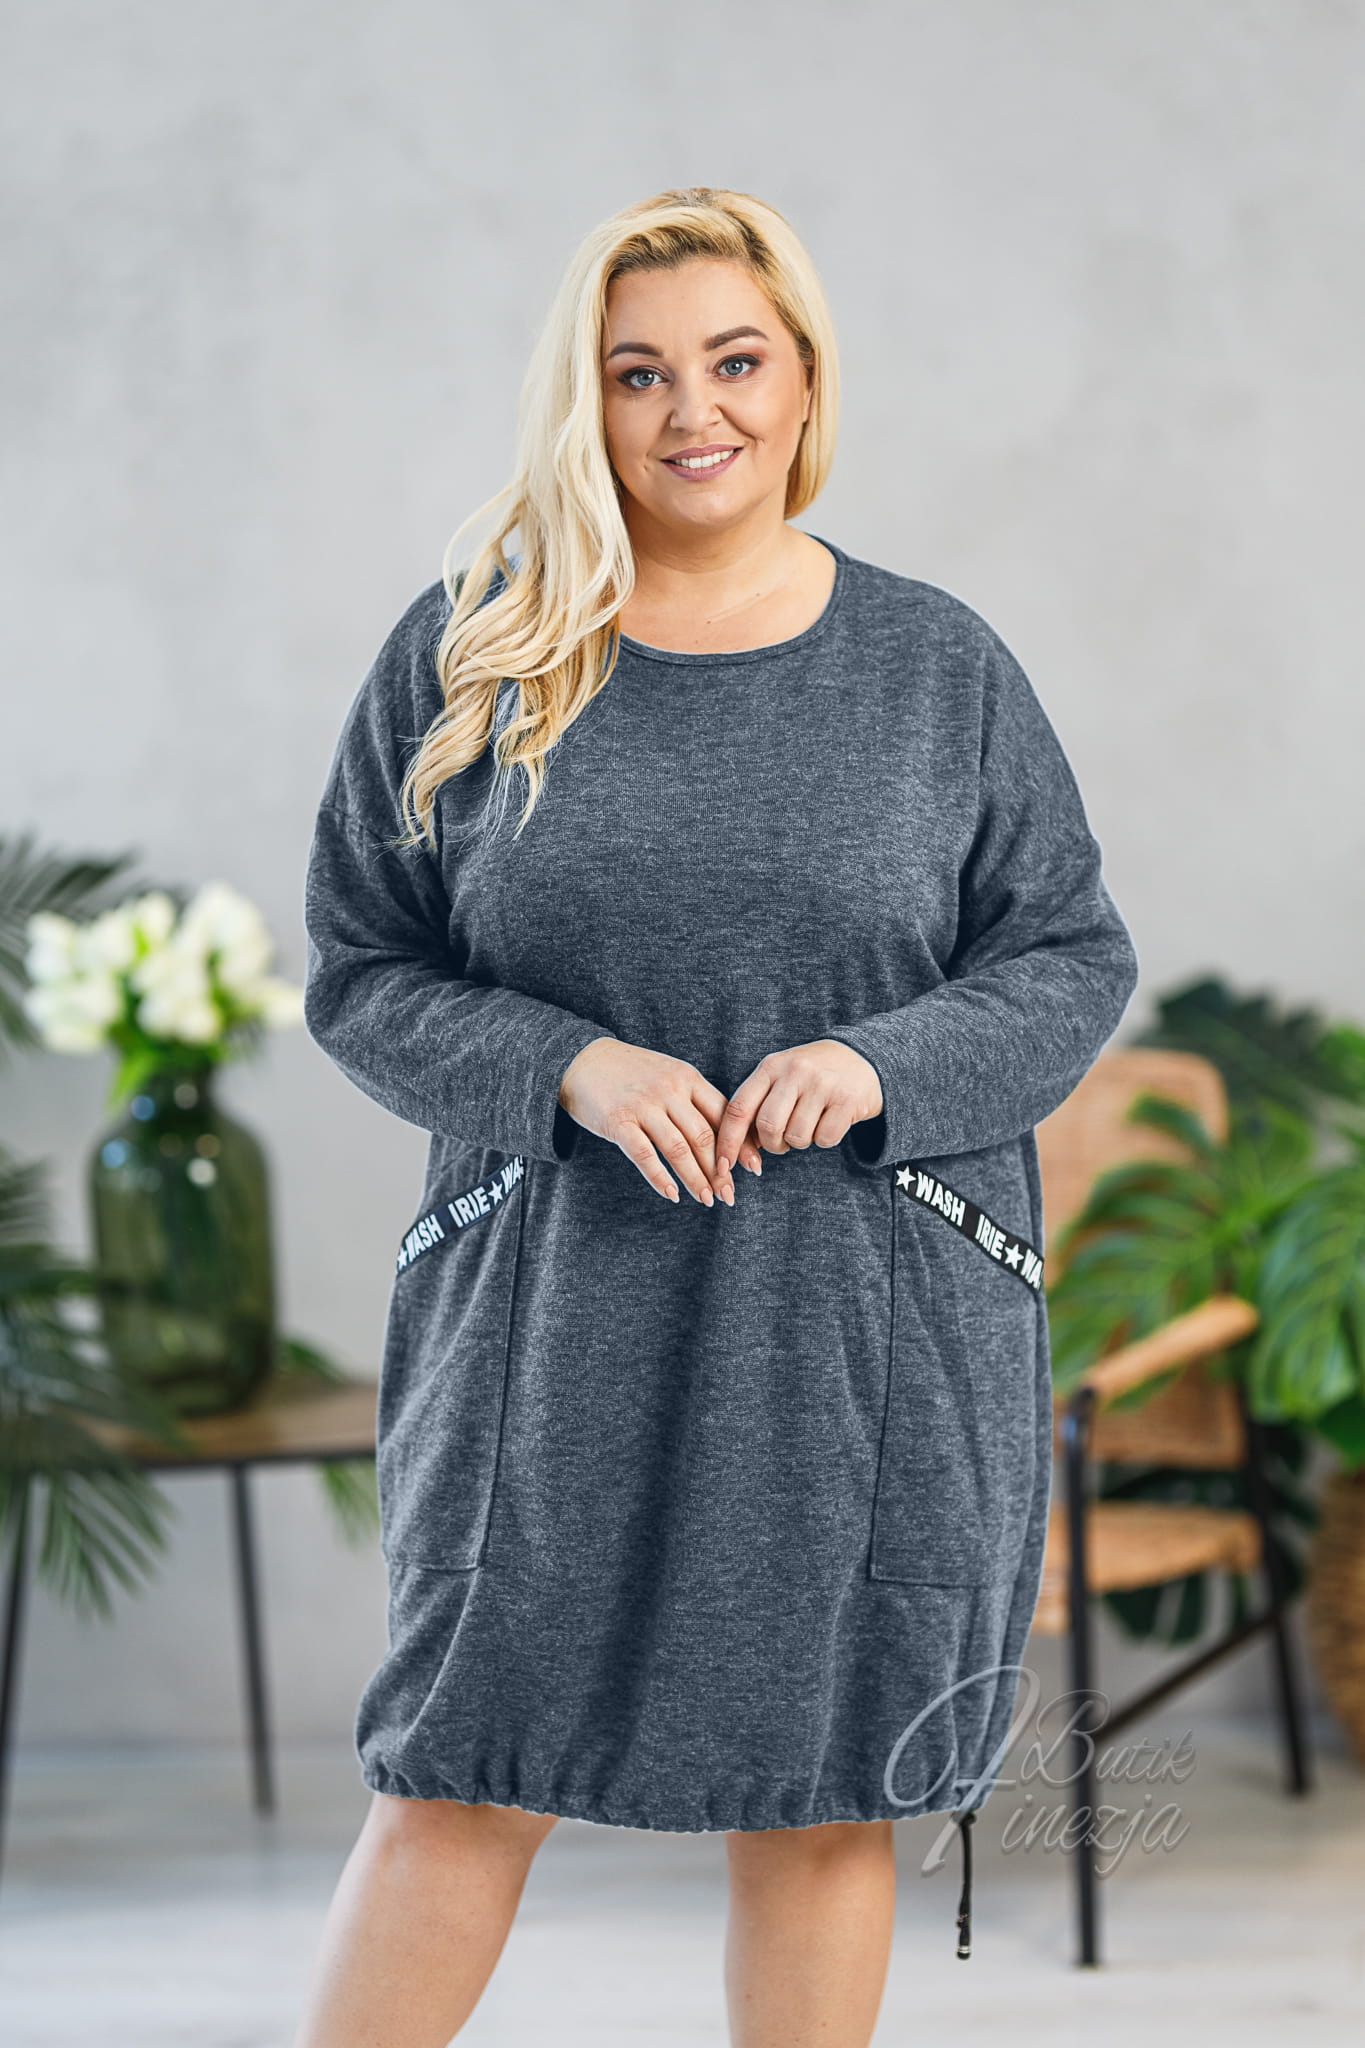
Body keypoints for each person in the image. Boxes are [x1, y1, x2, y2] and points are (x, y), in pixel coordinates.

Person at [293, 185, 1139, 2047]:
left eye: (735, 361)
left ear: (802, 379)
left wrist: (884, 1065)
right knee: (461, 1767)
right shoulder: (475, 652)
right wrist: (566, 1067)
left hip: (860, 1320)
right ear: (582, 402)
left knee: (821, 1787)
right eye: (638, 373)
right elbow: (360, 968)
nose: (695, 411)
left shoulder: (937, 669)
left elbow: (1069, 956)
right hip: (548, 1313)